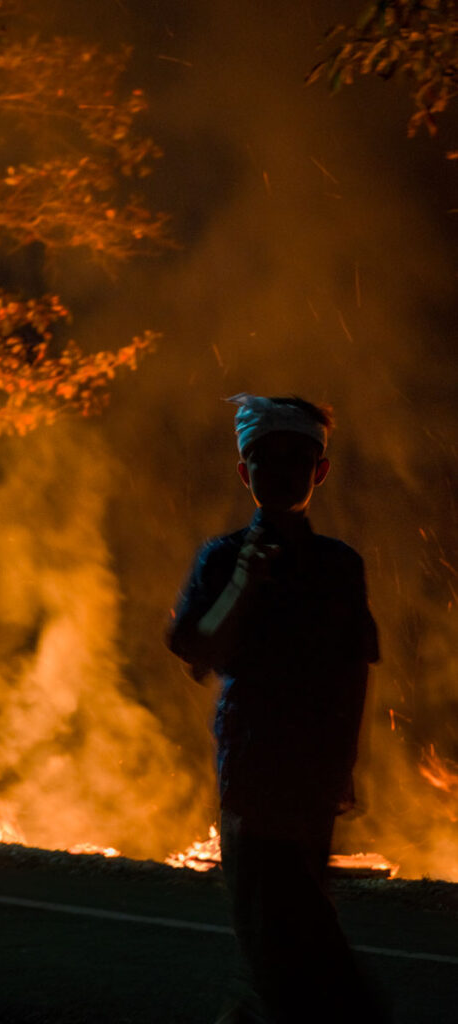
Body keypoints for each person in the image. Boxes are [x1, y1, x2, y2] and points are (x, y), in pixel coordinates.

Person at [166, 394, 388, 1024]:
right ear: (245, 471)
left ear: (320, 472)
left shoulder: (339, 566)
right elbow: (195, 651)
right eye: (268, 459)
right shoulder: (223, 557)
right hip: (251, 771)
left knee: (288, 934)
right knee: (276, 933)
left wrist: (344, 769)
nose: (284, 471)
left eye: (300, 459)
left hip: (311, 779)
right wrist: (243, 583)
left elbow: (353, 673)